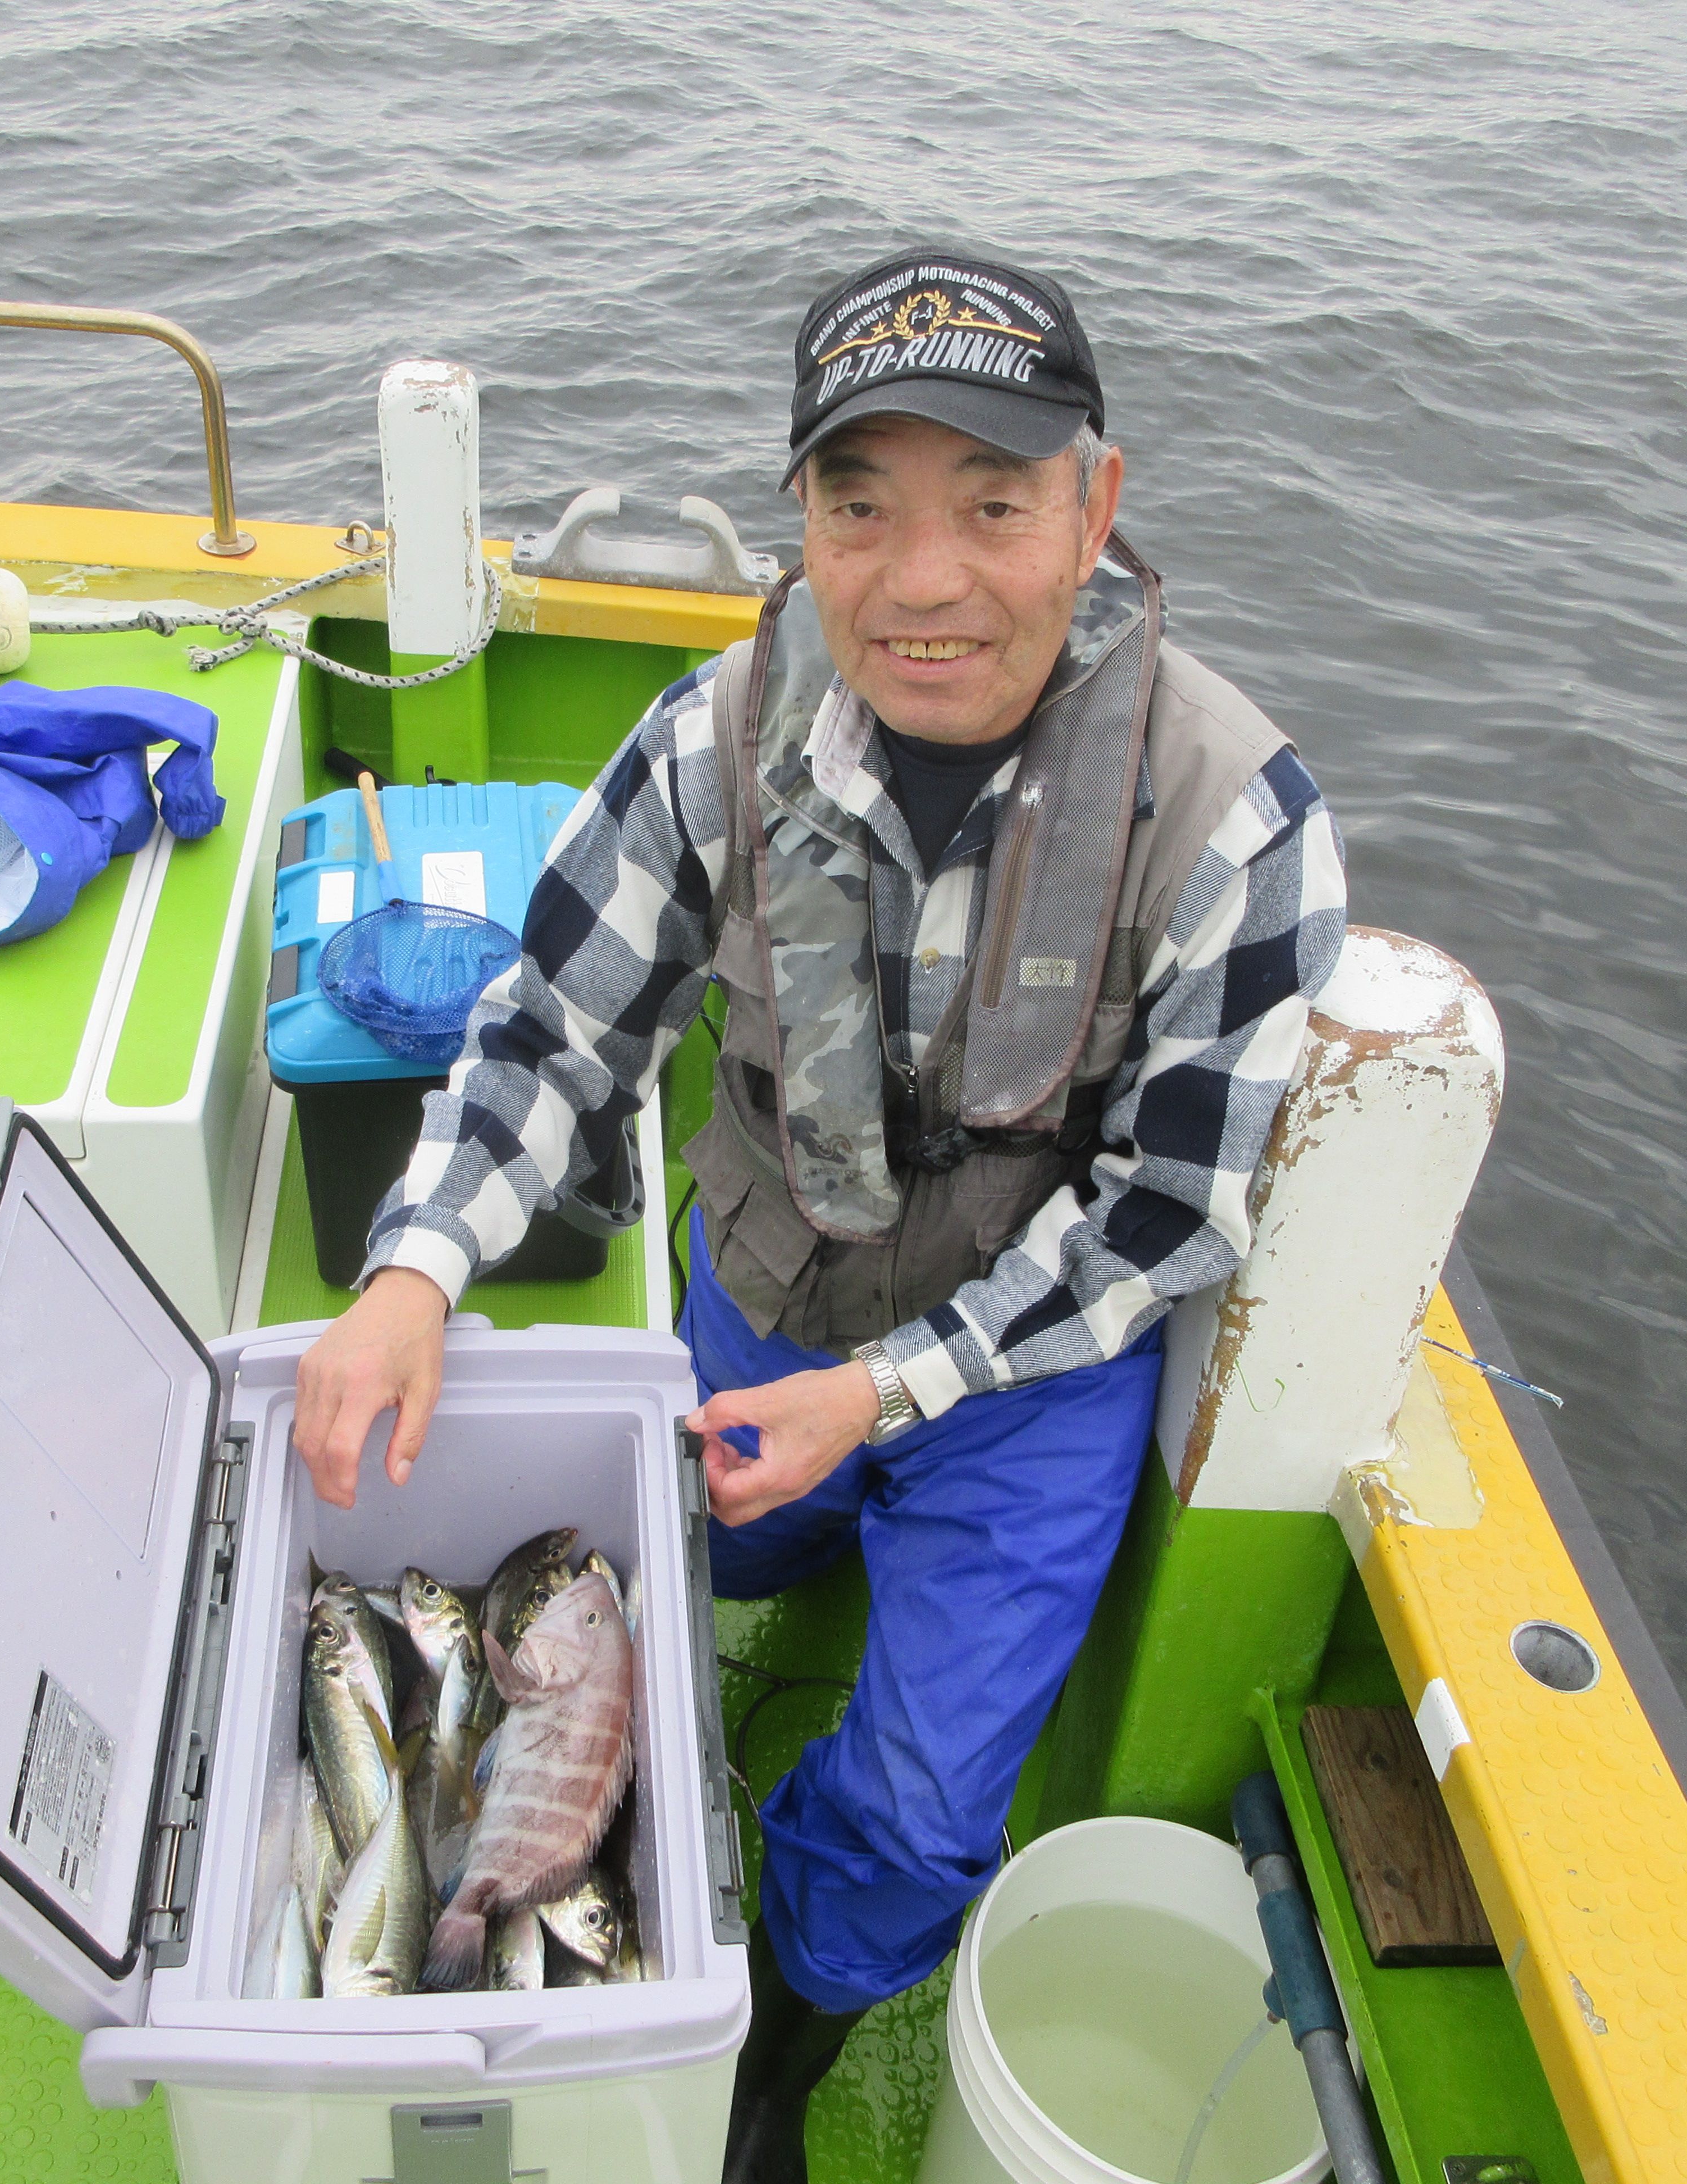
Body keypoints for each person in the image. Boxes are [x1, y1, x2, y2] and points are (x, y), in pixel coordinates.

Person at [290, 249, 1347, 2182]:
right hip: (762, 1295)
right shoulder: (710, 740)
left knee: (930, 1813)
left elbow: (1166, 1218)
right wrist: (412, 1270)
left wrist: (891, 1395)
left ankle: (775, 2050)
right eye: (863, 509)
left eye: (994, 508)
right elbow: (550, 1032)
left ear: (1095, 508)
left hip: (1028, 1377)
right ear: (802, 521)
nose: (924, 581)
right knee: (669, 1593)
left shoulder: (1236, 823)